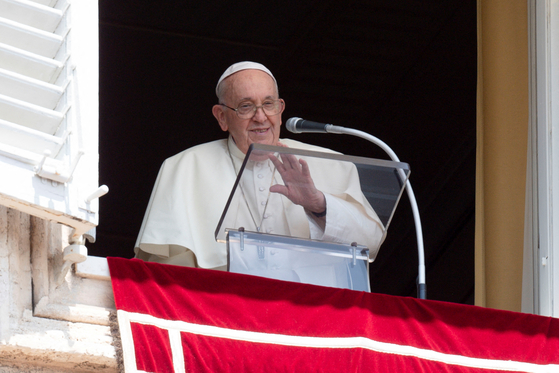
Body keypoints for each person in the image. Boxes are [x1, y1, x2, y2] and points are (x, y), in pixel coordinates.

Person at [134, 61, 385, 271]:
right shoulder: (185, 167)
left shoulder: (332, 164)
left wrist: (318, 204)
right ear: (221, 117)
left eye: (268, 104)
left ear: (281, 109)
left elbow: (370, 244)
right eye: (245, 106)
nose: (261, 117)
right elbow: (164, 269)